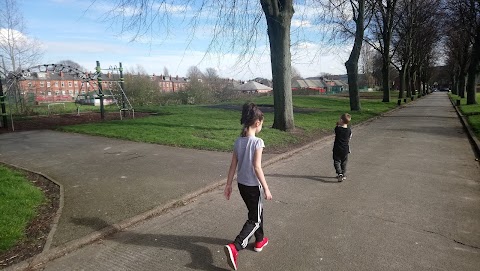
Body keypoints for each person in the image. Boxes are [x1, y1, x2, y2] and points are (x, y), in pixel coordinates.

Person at [223, 102, 273, 270]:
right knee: (255, 218)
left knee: (256, 213)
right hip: (253, 186)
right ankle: (236, 246)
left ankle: (259, 241)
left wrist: (228, 185)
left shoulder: (239, 141)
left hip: (242, 185)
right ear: (257, 123)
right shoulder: (258, 142)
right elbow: (257, 167)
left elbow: (232, 165)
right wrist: (266, 188)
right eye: (262, 124)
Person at [333, 113, 352, 182]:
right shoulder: (349, 130)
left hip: (337, 148)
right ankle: (343, 174)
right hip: (345, 149)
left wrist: (338, 125)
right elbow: (349, 138)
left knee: (337, 161)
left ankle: (339, 173)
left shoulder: (337, 129)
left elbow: (335, 131)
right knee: (344, 162)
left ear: (341, 120)